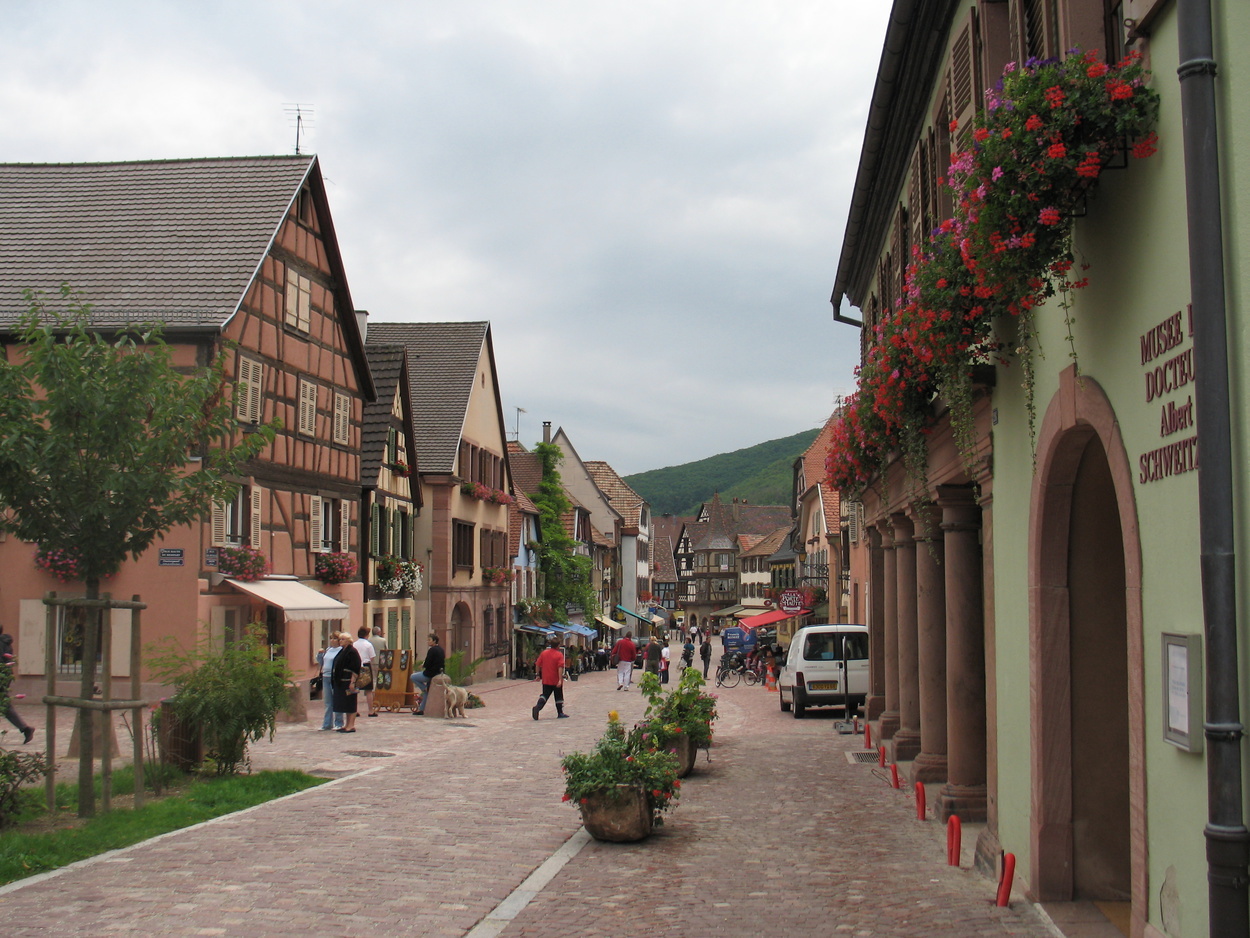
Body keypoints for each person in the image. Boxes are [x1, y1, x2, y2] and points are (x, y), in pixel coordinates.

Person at [0, 627, 34, 744]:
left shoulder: (1, 643)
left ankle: (25, 728)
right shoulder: (5, 642)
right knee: (4, 704)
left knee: (4, 704)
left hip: (1, 676)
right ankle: (25, 729)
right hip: (5, 675)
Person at [330, 632, 361, 733]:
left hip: (349, 681)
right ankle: (347, 724)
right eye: (340, 639)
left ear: (348, 640)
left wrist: (353, 682)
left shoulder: (352, 651)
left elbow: (355, 667)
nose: (340, 641)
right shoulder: (342, 651)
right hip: (341, 681)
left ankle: (351, 725)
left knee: (350, 703)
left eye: (343, 639)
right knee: (345, 704)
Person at [531, 636, 568, 720]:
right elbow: (560, 668)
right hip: (555, 679)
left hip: (546, 679)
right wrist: (560, 680)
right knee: (558, 696)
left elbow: (537, 664)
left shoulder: (544, 653)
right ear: (558, 646)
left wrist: (537, 675)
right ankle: (560, 713)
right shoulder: (559, 655)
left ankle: (537, 707)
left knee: (544, 695)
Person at [411, 633, 445, 715]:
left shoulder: (432, 650)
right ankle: (421, 709)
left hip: (429, 674)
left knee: (413, 677)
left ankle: (424, 688)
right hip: (438, 673)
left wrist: (423, 665)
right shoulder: (441, 650)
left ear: (434, 641)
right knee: (427, 693)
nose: (428, 641)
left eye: (429, 640)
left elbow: (428, 662)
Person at [317, 637, 343, 731]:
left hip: (335, 677)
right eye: (331, 638)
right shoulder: (328, 650)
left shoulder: (341, 651)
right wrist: (320, 655)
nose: (332, 640)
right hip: (325, 676)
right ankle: (327, 724)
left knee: (337, 700)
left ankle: (339, 723)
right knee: (328, 702)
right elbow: (322, 662)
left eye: (334, 638)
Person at [354, 626, 378, 717]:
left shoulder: (354, 644)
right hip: (366, 665)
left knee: (355, 689)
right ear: (366, 635)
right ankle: (370, 711)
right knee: (368, 690)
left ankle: (354, 710)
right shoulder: (368, 645)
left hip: (356, 666)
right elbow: (372, 657)